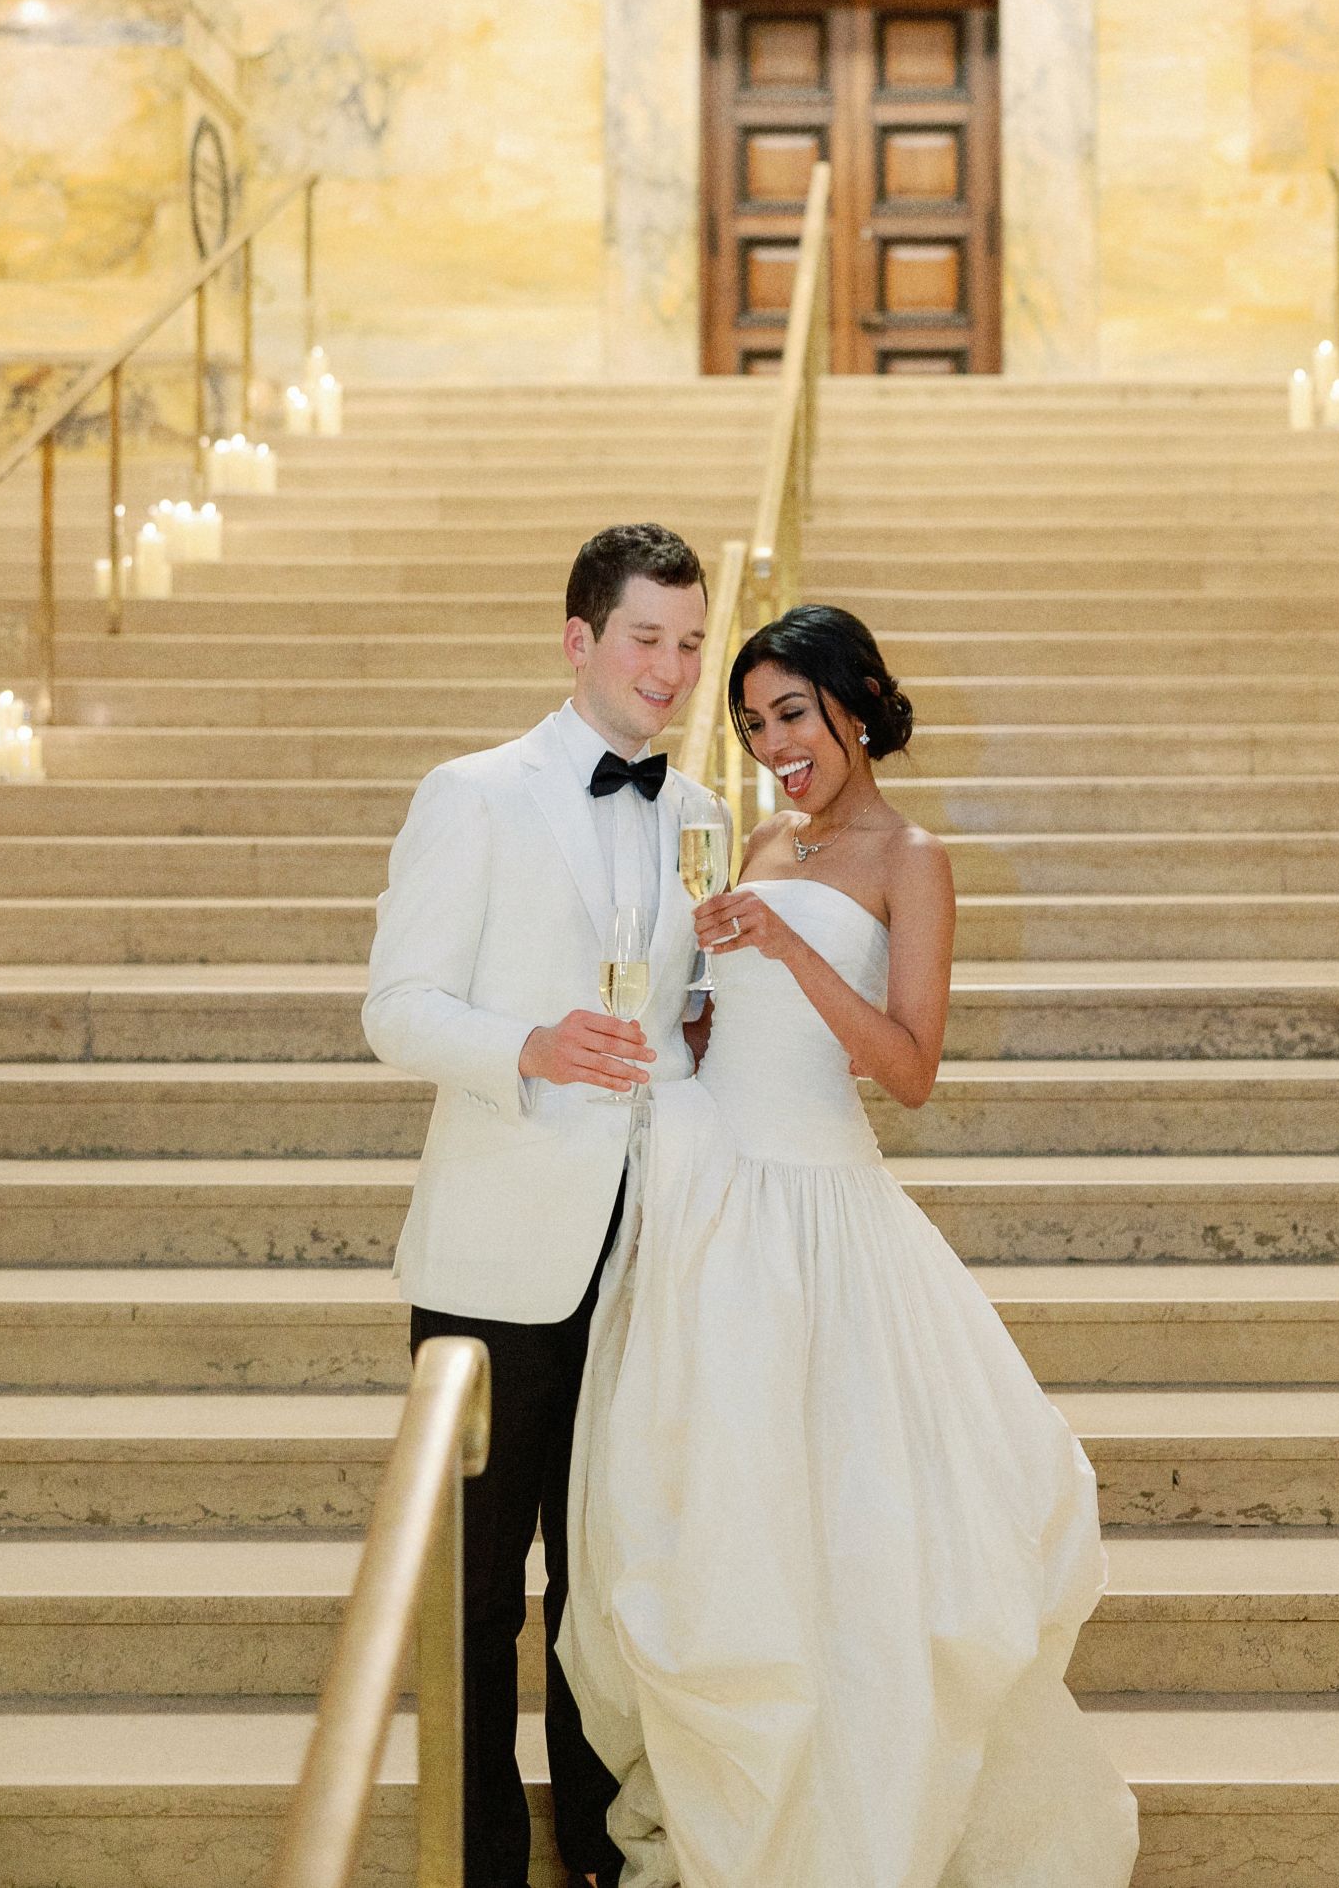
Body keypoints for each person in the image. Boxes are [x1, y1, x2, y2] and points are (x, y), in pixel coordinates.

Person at [559, 603, 1139, 1888]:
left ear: (855, 705)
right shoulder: (756, 837)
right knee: (719, 1516)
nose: (776, 746)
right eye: (756, 722)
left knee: (858, 1521)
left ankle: (862, 1803)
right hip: (720, 1202)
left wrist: (788, 951)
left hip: (828, 1205)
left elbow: (910, 1069)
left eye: (795, 716)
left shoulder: (910, 857)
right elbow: (721, 1020)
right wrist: (694, 1008)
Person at [363, 523, 727, 1888]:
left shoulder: (700, 813)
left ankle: (594, 1851)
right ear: (579, 641)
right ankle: (478, 1860)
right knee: (473, 1598)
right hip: (494, 1267)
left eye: (691, 644)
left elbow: (686, 1025)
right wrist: (528, 1045)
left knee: (606, 1589)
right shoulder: (474, 794)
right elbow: (396, 1010)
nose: (673, 669)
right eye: (648, 639)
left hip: (647, 1259)